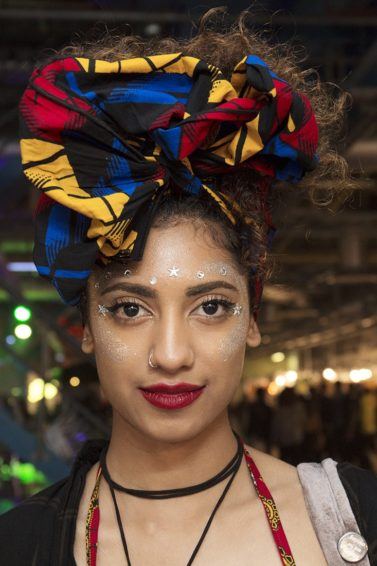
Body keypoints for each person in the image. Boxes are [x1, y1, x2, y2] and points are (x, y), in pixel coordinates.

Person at [1, 9, 376, 566]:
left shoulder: (357, 516)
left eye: (212, 306)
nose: (170, 355)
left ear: (253, 315)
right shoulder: (19, 546)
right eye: (129, 307)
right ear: (85, 325)